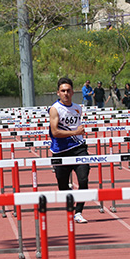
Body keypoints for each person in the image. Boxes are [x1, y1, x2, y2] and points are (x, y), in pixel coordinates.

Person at [48, 77, 90, 224]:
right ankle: (71, 200)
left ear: (73, 92)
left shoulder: (78, 108)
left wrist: (78, 133)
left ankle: (78, 212)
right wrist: (75, 132)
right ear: (58, 93)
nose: (66, 93)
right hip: (60, 151)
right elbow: (55, 132)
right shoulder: (55, 109)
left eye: (68, 91)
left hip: (79, 148)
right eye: (63, 91)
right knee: (62, 186)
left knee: (83, 179)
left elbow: (78, 128)